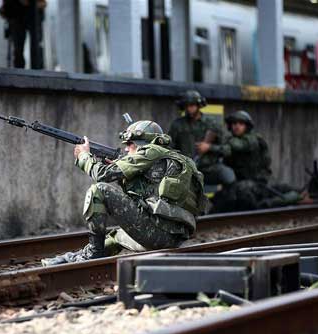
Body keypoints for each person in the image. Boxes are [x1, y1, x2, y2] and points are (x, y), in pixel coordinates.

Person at [42, 120, 206, 266]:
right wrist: (122, 173)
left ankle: (93, 253)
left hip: (156, 236)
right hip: (175, 239)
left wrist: (84, 156)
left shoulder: (150, 152)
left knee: (99, 190)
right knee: (115, 237)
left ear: (141, 144)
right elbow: (146, 193)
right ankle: (70, 259)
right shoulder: (181, 160)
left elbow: (102, 176)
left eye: (130, 144)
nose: (126, 150)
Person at [167, 90, 236, 189]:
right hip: (185, 170)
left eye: (192, 105)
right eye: (187, 106)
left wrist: (209, 147)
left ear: (198, 105)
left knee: (228, 175)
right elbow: (170, 147)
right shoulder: (178, 125)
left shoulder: (211, 124)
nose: (189, 108)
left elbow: (227, 149)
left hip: (208, 169)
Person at [0, 0, 46, 69]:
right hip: (17, 14)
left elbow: (43, 3)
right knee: (18, 50)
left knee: (35, 47)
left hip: (33, 13)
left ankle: (37, 71)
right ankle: (20, 72)